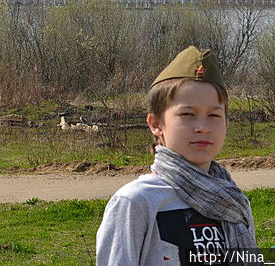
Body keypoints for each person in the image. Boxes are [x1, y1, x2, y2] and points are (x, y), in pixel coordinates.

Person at [96, 46, 257, 265]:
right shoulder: (137, 202)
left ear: (226, 124)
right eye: (187, 114)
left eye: (214, 115)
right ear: (156, 124)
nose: (203, 127)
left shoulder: (233, 201)